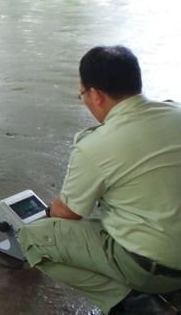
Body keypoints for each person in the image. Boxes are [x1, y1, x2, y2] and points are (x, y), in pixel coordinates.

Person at [16, 46, 181, 314]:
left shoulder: (95, 145)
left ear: (96, 94)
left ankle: (135, 305)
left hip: (154, 269)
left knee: (33, 237)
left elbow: (68, 213)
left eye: (83, 94)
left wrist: (50, 210)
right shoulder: (176, 112)